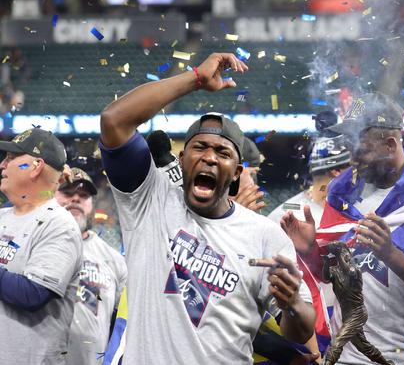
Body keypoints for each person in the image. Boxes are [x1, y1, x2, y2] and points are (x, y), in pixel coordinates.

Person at [98, 52, 315, 363]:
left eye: (222, 152)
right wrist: (196, 78)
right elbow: (113, 119)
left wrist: (293, 302)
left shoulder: (266, 236)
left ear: (237, 173)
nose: (210, 157)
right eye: (200, 147)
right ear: (182, 158)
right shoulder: (150, 198)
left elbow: (299, 332)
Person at [281, 92, 404, 364]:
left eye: (360, 147)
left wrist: (390, 254)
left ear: (390, 145)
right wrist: (311, 251)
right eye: (348, 146)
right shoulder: (341, 191)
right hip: (344, 355)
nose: (352, 158)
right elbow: (331, 274)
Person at [0, 128, 83, 364]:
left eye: (11, 158)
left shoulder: (59, 224)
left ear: (35, 166)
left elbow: (33, 293)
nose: (2, 165)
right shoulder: (4, 215)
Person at [54, 167, 127, 365]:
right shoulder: (33, 242)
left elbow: (124, 325)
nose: (75, 199)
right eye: (67, 193)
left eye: (83, 195)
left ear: (92, 205)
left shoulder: (115, 261)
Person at [268, 110, 351, 227]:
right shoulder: (287, 217)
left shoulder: (356, 208)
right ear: (336, 171)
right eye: (352, 167)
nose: (358, 173)